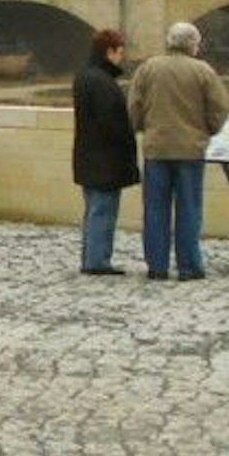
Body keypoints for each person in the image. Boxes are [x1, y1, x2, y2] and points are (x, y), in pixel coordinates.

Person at [127, 21, 229, 281]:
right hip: (190, 150)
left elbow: (134, 107)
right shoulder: (203, 71)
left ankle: (157, 266)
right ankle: (189, 266)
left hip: (156, 149)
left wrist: (143, 128)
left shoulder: (148, 68)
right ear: (192, 45)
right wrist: (208, 130)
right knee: (189, 209)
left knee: (154, 210)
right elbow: (219, 108)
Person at [70, 28, 138, 274]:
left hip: (88, 155)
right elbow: (112, 123)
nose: (121, 57)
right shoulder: (103, 82)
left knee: (93, 211)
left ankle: (91, 258)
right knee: (103, 211)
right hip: (105, 159)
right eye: (119, 52)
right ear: (109, 51)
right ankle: (97, 261)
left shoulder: (85, 77)